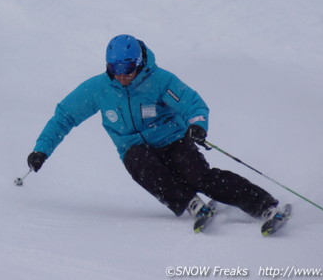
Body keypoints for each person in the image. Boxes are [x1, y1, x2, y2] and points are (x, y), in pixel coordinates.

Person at [27, 34, 286, 226]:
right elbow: (65, 117)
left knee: (200, 177)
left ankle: (264, 205)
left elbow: (192, 103)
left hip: (173, 140)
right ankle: (190, 203)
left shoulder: (160, 81)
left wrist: (197, 125)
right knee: (141, 165)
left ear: (139, 62)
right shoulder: (98, 89)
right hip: (134, 149)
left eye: (127, 67)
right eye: (115, 68)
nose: (122, 74)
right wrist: (42, 150)